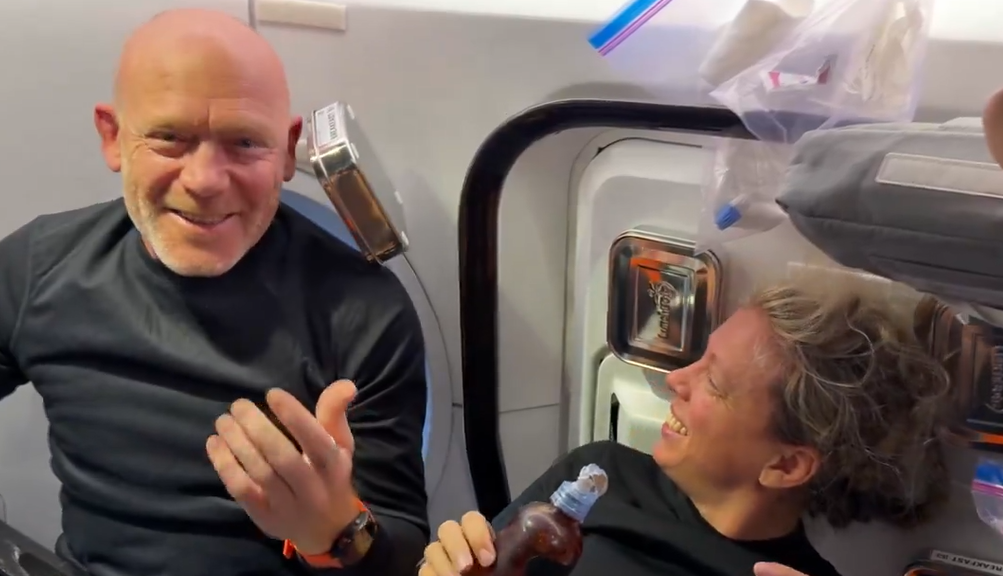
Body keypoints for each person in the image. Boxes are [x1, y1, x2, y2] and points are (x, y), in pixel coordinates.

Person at [0, 8, 428, 576]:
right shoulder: (38, 267)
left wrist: (334, 533)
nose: (204, 181)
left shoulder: (365, 313)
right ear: (113, 137)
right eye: (168, 138)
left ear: (287, 150)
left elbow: (406, 553)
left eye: (245, 142)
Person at [419, 277, 951, 576]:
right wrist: (445, 565)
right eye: (699, 359)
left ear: (786, 464)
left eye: (714, 383)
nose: (676, 380)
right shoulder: (601, 474)